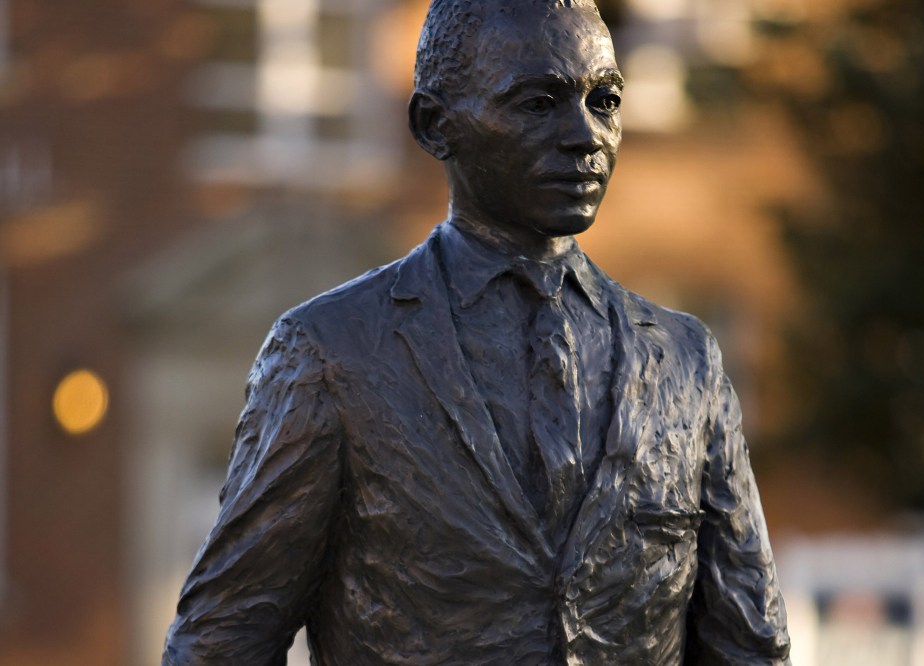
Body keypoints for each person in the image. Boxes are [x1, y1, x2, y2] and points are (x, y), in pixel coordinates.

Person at [162, 1, 791, 664]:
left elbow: (748, 643)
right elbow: (221, 641)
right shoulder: (331, 352)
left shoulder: (685, 361)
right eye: (538, 102)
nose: (585, 135)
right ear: (435, 125)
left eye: (604, 100)